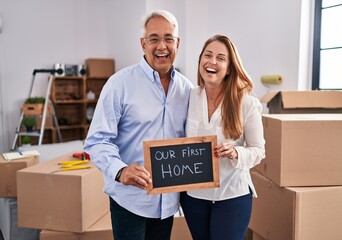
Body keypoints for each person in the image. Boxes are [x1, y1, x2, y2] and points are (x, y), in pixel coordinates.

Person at [83, 9, 192, 240]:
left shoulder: (187, 89)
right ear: (143, 44)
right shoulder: (119, 84)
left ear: (178, 43)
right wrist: (120, 170)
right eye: (154, 39)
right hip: (130, 200)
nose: (162, 46)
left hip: (167, 201)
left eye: (168, 38)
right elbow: (97, 141)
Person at [180, 34, 266, 240]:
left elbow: (258, 150)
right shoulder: (187, 97)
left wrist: (236, 152)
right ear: (200, 61)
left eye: (221, 58)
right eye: (207, 55)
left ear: (229, 68)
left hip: (232, 195)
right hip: (194, 197)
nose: (212, 61)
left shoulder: (247, 103)